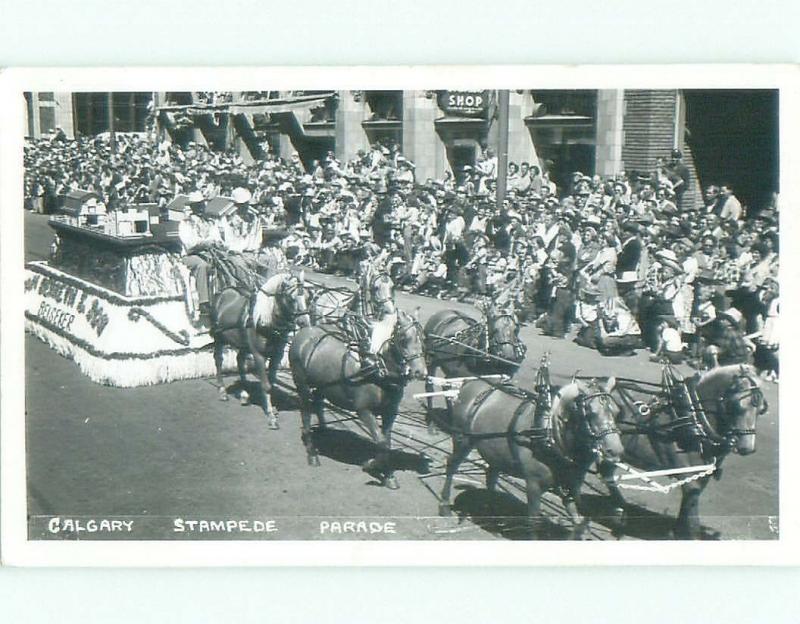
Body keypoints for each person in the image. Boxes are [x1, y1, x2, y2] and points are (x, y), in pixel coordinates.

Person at [179, 191, 223, 328]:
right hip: (191, 255)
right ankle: (204, 304)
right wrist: (206, 243)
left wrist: (216, 243)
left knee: (226, 263)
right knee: (202, 265)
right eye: (198, 205)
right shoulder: (185, 223)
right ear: (193, 207)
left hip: (210, 252)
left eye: (202, 204)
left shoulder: (210, 221)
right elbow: (190, 243)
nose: (201, 207)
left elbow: (216, 237)